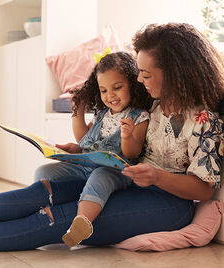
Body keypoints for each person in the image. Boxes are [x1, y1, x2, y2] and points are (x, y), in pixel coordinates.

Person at [0, 22, 224, 254]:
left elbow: (204, 187)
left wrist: (157, 176)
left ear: (174, 73)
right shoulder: (151, 106)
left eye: (146, 74)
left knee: (53, 220)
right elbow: (114, 128)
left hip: (166, 204)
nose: (140, 81)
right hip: (125, 180)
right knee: (38, 193)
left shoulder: (206, 121)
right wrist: (83, 151)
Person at [35, 51, 153, 247]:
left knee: (100, 177)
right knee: (44, 171)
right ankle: (44, 209)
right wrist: (77, 115)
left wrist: (127, 136)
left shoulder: (138, 116)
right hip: (85, 165)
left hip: (115, 171)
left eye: (117, 87)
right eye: (104, 90)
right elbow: (84, 139)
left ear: (132, 84)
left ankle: (81, 222)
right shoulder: (102, 114)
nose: (110, 95)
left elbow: (133, 153)